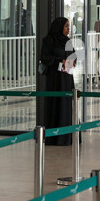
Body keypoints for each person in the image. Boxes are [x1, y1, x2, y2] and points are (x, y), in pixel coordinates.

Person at [40, 17, 77, 146]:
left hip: (66, 78)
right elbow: (44, 57)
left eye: (69, 26)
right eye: (66, 26)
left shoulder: (67, 41)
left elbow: (73, 55)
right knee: (55, 105)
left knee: (66, 106)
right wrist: (58, 60)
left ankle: (66, 137)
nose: (68, 29)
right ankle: (54, 137)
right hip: (54, 79)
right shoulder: (49, 40)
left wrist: (72, 61)